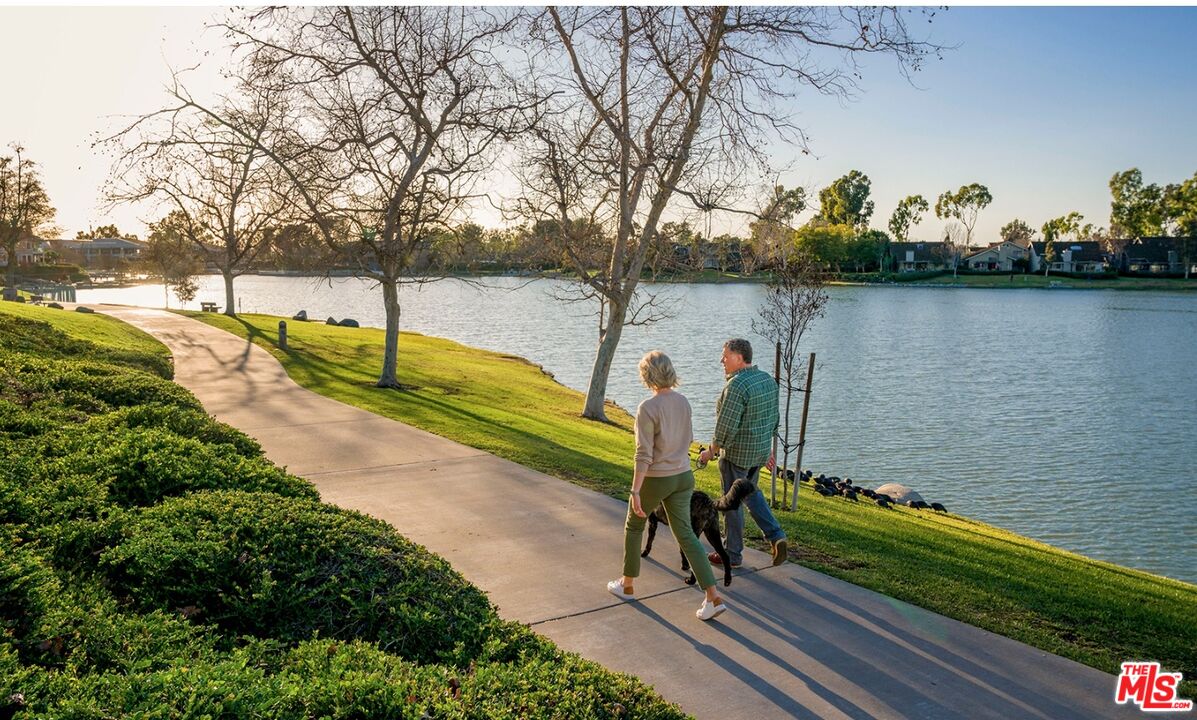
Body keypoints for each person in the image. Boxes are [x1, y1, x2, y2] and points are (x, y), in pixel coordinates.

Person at [608, 350, 727, 621]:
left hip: (657, 478)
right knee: (685, 534)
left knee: (634, 524)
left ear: (647, 376)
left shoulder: (647, 408)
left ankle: (627, 585)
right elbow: (689, 438)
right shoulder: (683, 402)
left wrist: (636, 490)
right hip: (684, 476)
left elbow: (643, 454)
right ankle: (713, 597)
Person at [697, 338, 788, 568]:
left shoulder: (736, 386)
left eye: (725, 356)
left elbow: (725, 427)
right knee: (749, 493)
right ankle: (776, 536)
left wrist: (710, 452)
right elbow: (773, 419)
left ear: (739, 358)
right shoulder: (768, 380)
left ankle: (732, 554)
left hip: (736, 455)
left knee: (732, 503)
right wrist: (766, 450)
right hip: (758, 453)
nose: (722, 360)